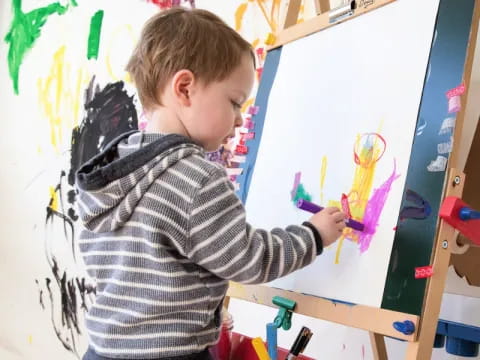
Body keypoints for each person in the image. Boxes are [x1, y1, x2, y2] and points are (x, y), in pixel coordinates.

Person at [76, 7, 346, 360]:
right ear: (185, 88)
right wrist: (313, 235)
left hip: (101, 351)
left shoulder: (115, 172)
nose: (239, 119)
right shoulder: (195, 177)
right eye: (234, 102)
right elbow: (249, 259)